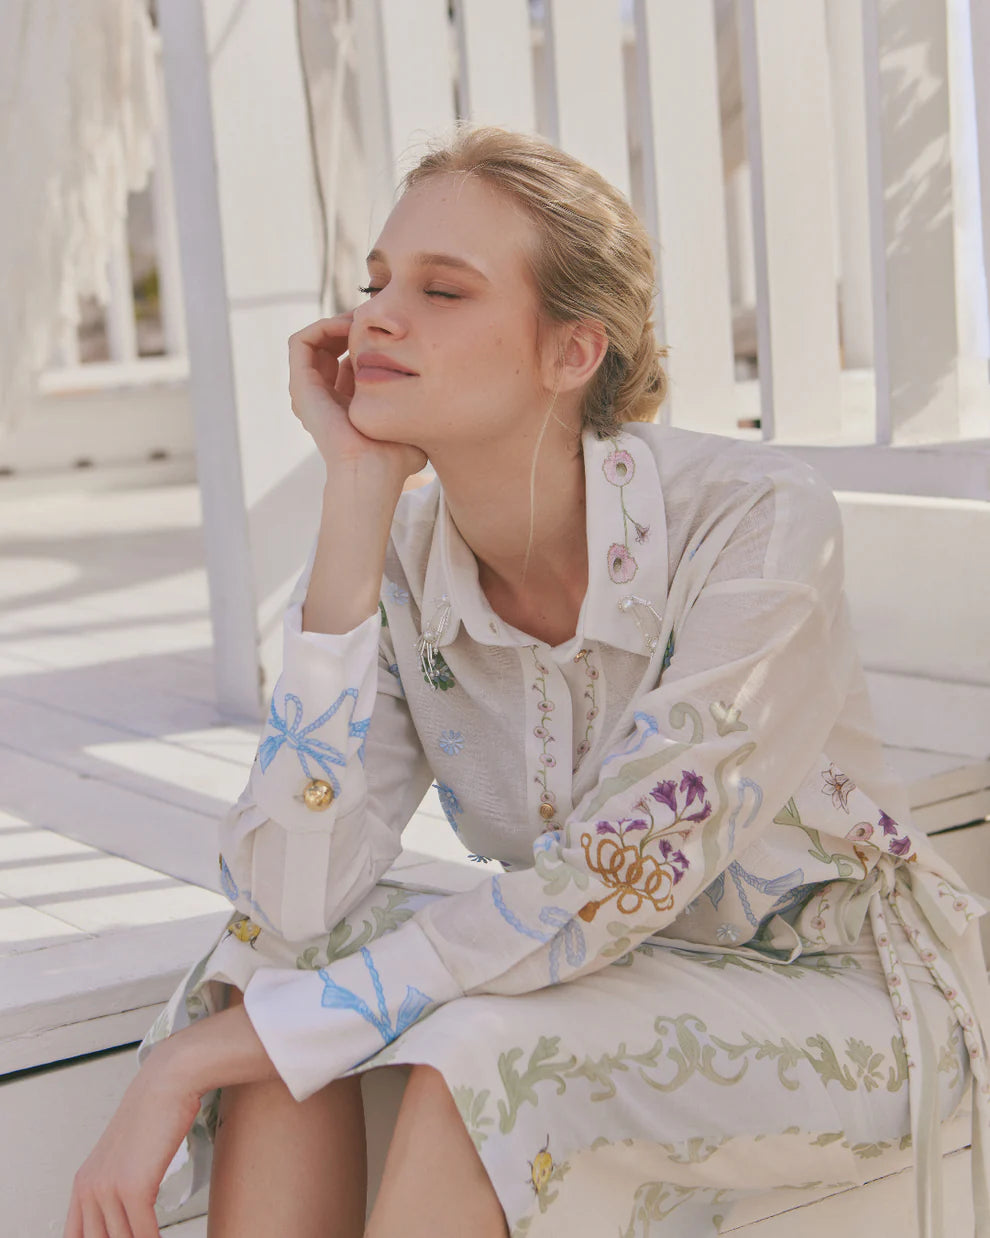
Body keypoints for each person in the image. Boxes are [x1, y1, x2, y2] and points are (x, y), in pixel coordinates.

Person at [65, 123, 990, 1238]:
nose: (377, 317)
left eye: (442, 290)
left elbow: (615, 876)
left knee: (477, 1053)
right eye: (375, 283)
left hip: (849, 997)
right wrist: (354, 494)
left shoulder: (753, 520)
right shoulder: (400, 558)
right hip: (592, 979)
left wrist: (196, 1057)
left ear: (572, 352)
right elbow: (290, 902)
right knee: (278, 963)